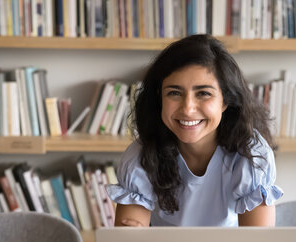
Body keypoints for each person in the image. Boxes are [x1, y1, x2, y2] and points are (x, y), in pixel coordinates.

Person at [106, 34, 283, 227]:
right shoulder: (140, 157)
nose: (188, 109)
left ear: (225, 101)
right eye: (174, 93)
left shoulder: (252, 157)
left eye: (203, 93)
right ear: (159, 99)